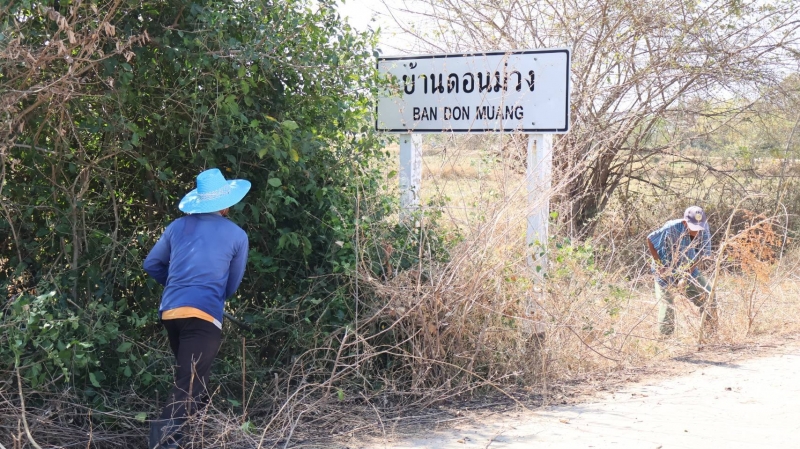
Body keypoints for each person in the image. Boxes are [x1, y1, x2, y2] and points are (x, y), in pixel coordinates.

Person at [143, 168, 250, 449]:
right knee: (188, 383)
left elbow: (151, 264)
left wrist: (178, 286)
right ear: (225, 205)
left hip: (171, 312)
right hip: (204, 315)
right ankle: (163, 444)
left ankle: (198, 437)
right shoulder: (237, 235)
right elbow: (230, 286)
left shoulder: (177, 226)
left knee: (194, 377)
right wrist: (205, 294)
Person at [646, 205, 716, 336]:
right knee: (667, 305)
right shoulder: (671, 227)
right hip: (665, 269)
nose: (696, 231)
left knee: (709, 295)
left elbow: (701, 254)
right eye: (693, 227)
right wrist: (660, 266)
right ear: (685, 222)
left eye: (699, 227)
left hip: (687, 268)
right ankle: (665, 339)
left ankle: (710, 334)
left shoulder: (704, 229)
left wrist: (685, 275)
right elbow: (650, 239)